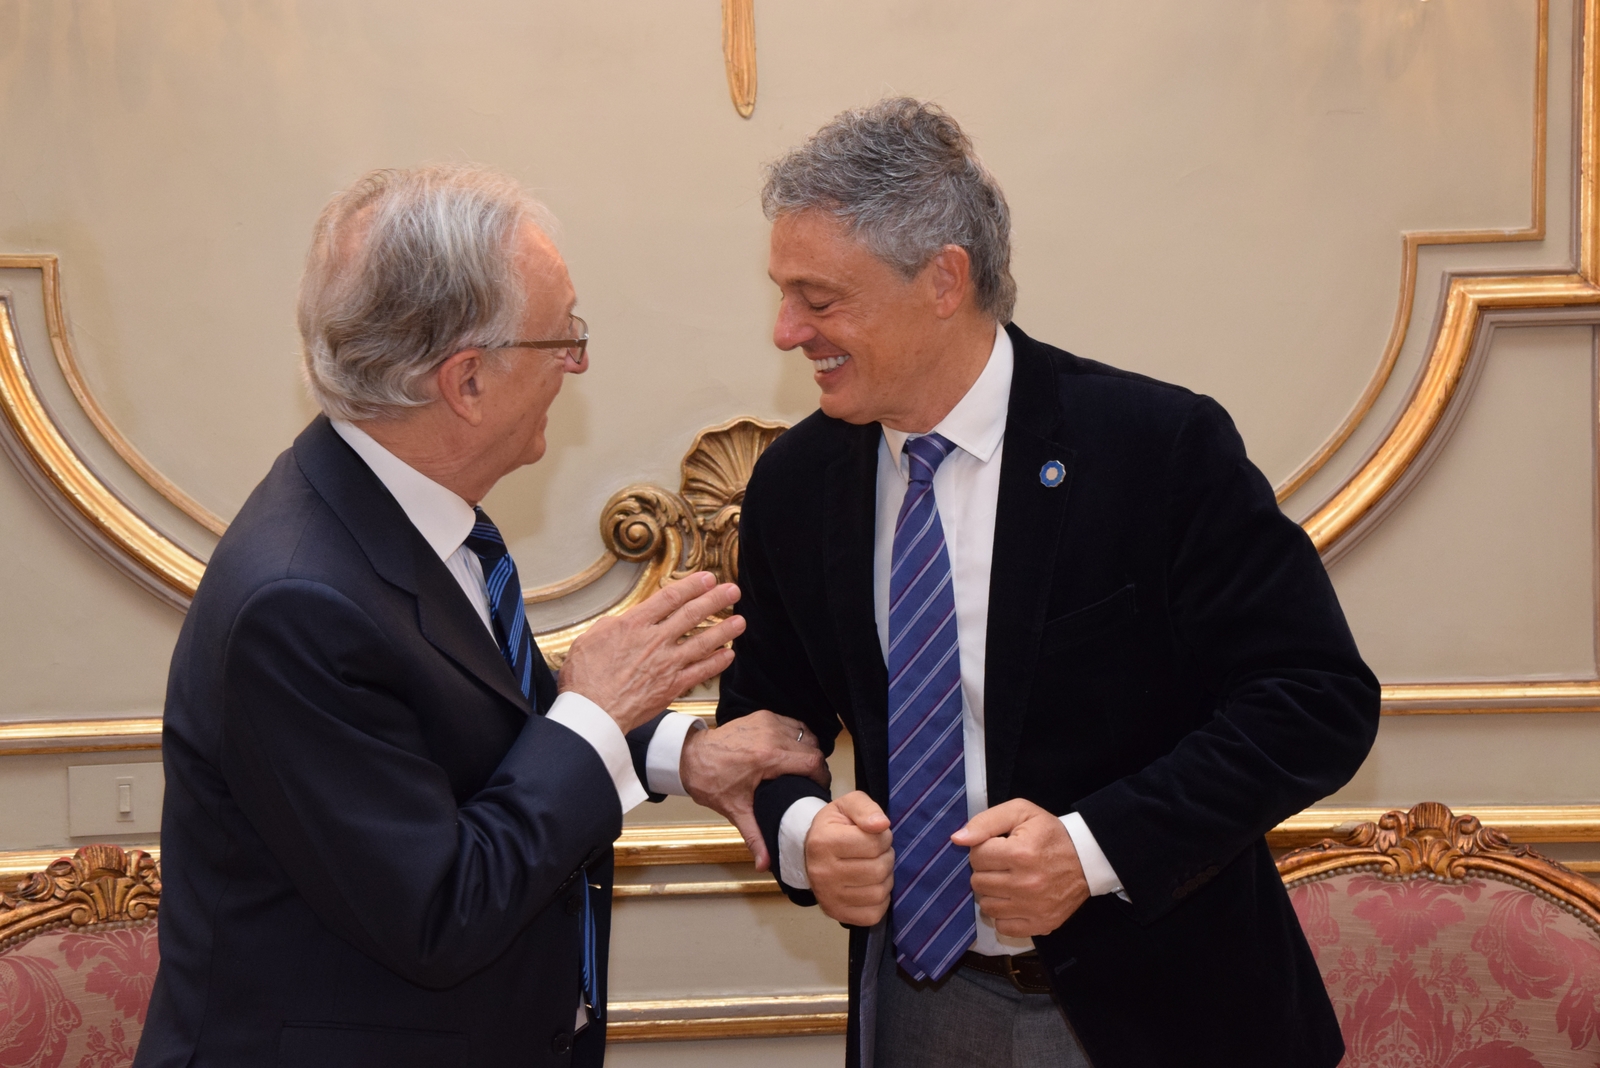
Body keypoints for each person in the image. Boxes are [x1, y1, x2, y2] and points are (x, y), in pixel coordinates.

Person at [711, 99, 1382, 1068]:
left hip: (1167, 1005)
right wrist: (805, 832)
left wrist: (1090, 848)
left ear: (944, 280)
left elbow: (1315, 701)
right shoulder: (797, 483)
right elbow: (767, 722)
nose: (787, 331)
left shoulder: (1155, 448)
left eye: (819, 299)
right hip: (924, 1003)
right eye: (784, 296)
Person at [136, 164, 826, 1068]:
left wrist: (681, 755)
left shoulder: (399, 516)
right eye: (563, 338)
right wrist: (597, 712)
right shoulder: (297, 604)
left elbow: (477, 735)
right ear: (465, 381)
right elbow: (441, 909)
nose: (577, 365)